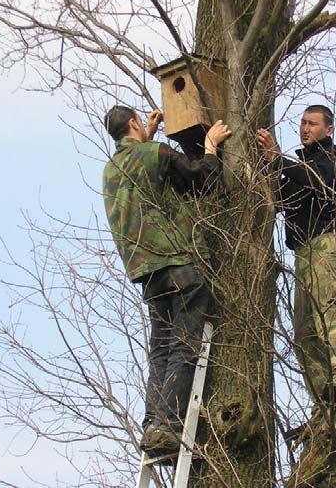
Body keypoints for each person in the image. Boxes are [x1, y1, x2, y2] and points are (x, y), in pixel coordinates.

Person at [102, 105, 231, 454]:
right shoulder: (155, 154)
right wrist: (209, 147)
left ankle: (152, 424)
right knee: (183, 346)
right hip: (179, 263)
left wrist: (149, 133)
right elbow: (201, 181)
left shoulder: (111, 170)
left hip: (147, 273)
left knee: (160, 348)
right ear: (132, 123)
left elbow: (143, 168)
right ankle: (170, 426)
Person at [257, 105, 336, 406]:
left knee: (332, 313)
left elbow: (318, 179)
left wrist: (278, 160)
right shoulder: (297, 169)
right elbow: (281, 198)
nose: (305, 128)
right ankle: (324, 397)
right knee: (305, 329)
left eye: (312, 124)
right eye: (302, 123)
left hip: (329, 245)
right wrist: (268, 167)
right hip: (303, 252)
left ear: (328, 130)